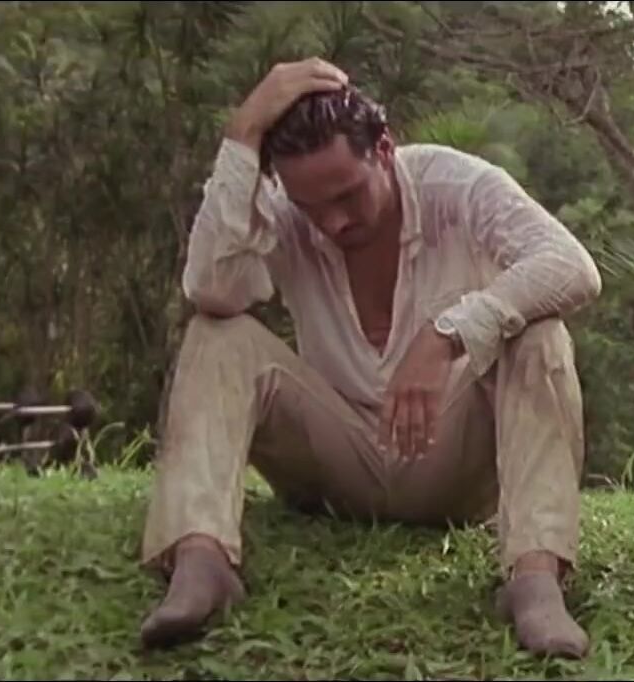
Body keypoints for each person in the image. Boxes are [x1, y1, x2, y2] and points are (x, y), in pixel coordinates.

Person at [137, 57, 601, 660]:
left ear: (384, 148)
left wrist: (449, 334)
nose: (333, 221)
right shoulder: (282, 212)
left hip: (454, 466)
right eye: (312, 206)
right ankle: (201, 560)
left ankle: (535, 578)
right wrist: (243, 133)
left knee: (542, 338)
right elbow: (213, 289)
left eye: (348, 195)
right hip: (334, 464)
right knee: (216, 334)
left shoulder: (455, 186)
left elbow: (572, 267)